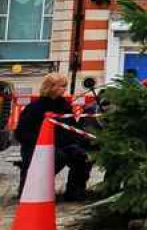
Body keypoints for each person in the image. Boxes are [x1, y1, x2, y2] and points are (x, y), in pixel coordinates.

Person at [14, 72, 92, 201]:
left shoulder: (65, 106)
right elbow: (21, 133)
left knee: (81, 156)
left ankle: (75, 191)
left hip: (62, 144)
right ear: (51, 87)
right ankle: (33, 188)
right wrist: (43, 142)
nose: (64, 89)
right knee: (57, 156)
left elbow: (71, 127)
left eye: (65, 86)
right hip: (36, 147)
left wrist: (79, 139)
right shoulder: (34, 108)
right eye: (61, 86)